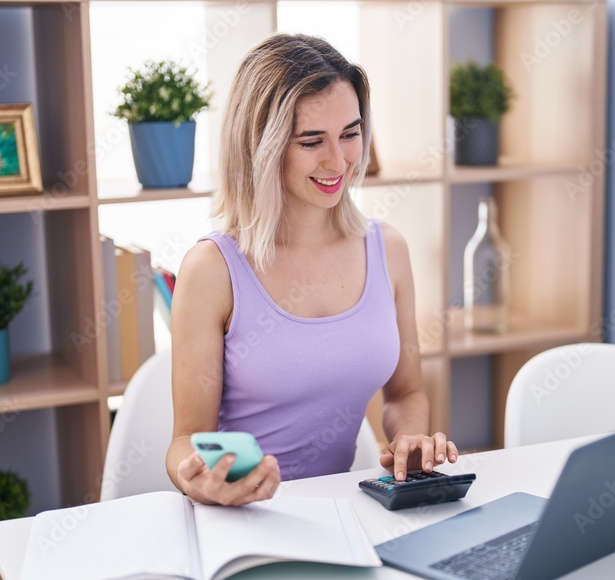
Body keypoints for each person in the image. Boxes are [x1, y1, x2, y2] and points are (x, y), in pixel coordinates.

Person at [166, 33, 458, 506]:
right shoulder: (212, 269)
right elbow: (185, 440)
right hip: (242, 515)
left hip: (343, 511)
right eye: (310, 141)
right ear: (261, 145)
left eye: (350, 133)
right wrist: (199, 480)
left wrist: (410, 440)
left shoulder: (389, 250)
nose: (338, 160)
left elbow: (406, 393)